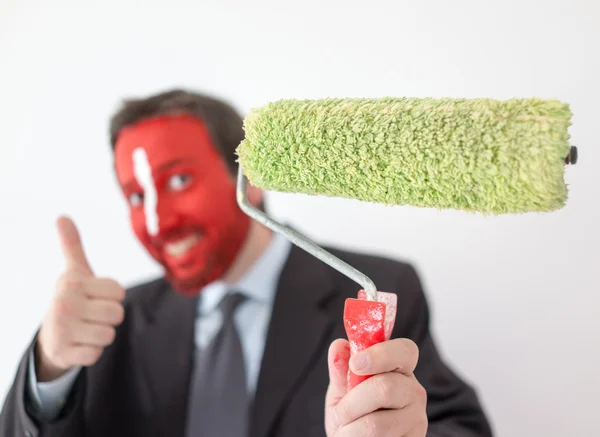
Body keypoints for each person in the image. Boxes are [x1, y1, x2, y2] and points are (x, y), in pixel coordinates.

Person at [0, 89, 493, 437]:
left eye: (176, 182)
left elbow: (460, 427)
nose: (158, 222)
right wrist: (51, 367)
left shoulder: (379, 291)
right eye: (136, 195)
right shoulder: (115, 321)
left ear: (249, 177)